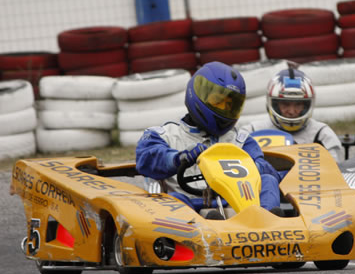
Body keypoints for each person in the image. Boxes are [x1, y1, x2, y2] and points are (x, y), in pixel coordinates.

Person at [135, 61, 282, 214]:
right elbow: (146, 160)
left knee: (268, 181)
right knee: (172, 199)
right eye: (218, 101)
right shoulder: (164, 135)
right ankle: (203, 229)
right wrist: (179, 158)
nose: (224, 109)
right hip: (188, 208)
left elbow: (269, 171)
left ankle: (269, 223)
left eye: (229, 105)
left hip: (240, 209)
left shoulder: (241, 141)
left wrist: (253, 167)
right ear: (198, 94)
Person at [242, 66, 343, 161]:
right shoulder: (252, 131)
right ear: (273, 104)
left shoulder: (321, 134)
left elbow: (336, 171)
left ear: (307, 105)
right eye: (285, 104)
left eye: (298, 104)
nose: (291, 111)